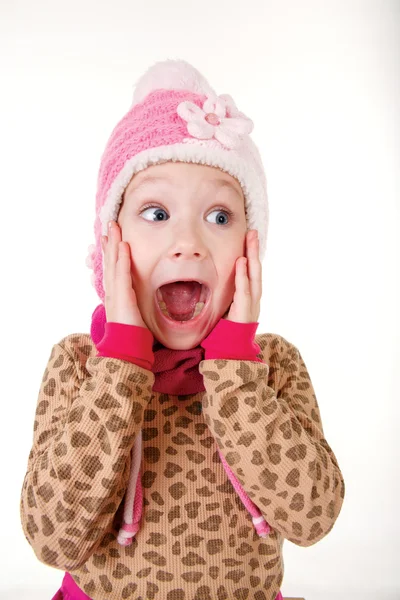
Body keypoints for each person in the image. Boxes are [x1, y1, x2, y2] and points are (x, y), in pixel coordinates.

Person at [20, 59, 345, 600]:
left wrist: (237, 370)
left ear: (250, 246)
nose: (189, 241)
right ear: (110, 243)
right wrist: (121, 361)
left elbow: (313, 517)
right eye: (156, 212)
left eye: (219, 217)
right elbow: (53, 537)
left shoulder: (273, 367)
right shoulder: (79, 365)